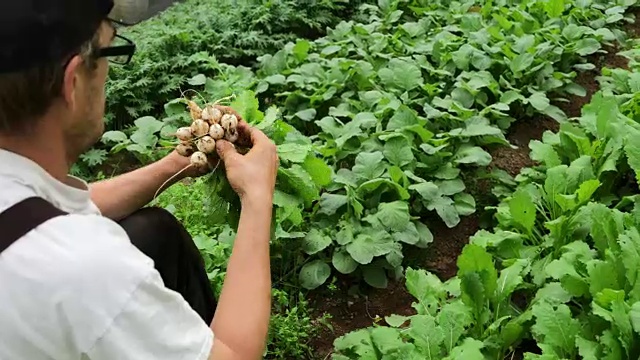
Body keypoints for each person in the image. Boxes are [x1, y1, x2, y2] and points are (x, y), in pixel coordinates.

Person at [0, 1, 278, 359]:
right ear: (73, 82)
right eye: (110, 50)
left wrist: (176, 166)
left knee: (154, 233)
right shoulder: (82, 268)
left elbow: (34, 216)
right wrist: (256, 195)